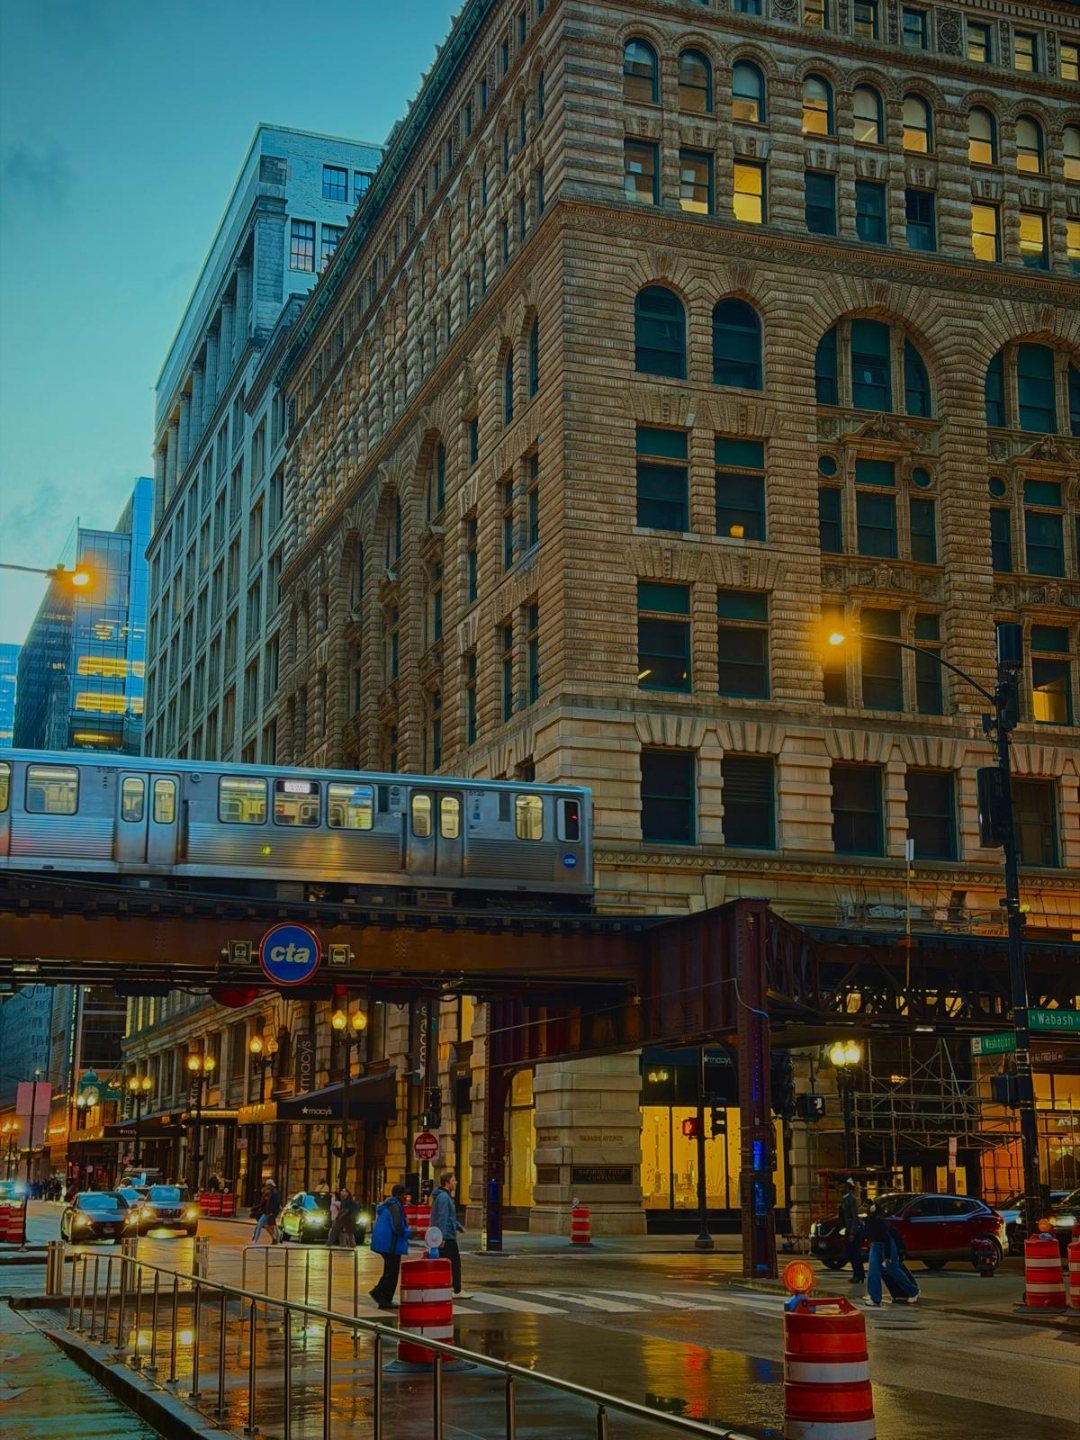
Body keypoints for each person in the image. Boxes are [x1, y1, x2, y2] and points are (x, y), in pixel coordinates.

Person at [369, 1184, 411, 1310]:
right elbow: (397, 1227)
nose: (406, 1197)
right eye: (404, 1195)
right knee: (392, 1272)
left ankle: (378, 1293)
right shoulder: (395, 1207)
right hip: (390, 1243)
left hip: (383, 1242)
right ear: (399, 1195)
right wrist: (410, 1232)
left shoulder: (389, 1205)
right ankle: (385, 1298)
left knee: (389, 1271)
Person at [430, 1171, 465, 1295]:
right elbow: (442, 1218)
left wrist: (458, 1226)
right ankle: (457, 1289)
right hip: (447, 1236)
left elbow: (449, 1218)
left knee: (447, 1263)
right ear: (447, 1183)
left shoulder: (444, 1196)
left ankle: (449, 1287)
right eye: (453, 1180)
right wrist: (442, 1237)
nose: (456, 1182)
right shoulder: (444, 1198)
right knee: (454, 1263)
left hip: (446, 1234)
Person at [839, 1178, 865, 1284]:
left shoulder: (851, 1199)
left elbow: (854, 1217)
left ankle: (858, 1275)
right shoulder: (845, 1199)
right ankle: (858, 1274)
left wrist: (852, 1232)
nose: (840, 1189)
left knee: (854, 1254)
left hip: (853, 1231)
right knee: (851, 1254)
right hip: (848, 1230)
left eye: (842, 1186)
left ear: (847, 1187)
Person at [252, 1179, 282, 1244]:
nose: (266, 1187)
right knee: (269, 1226)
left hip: (269, 1213)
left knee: (264, 1225)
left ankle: (255, 1241)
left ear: (270, 1185)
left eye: (267, 1185)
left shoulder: (274, 1193)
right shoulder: (270, 1192)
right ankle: (275, 1239)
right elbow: (264, 1203)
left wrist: (272, 1212)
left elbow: (276, 1203)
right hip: (267, 1212)